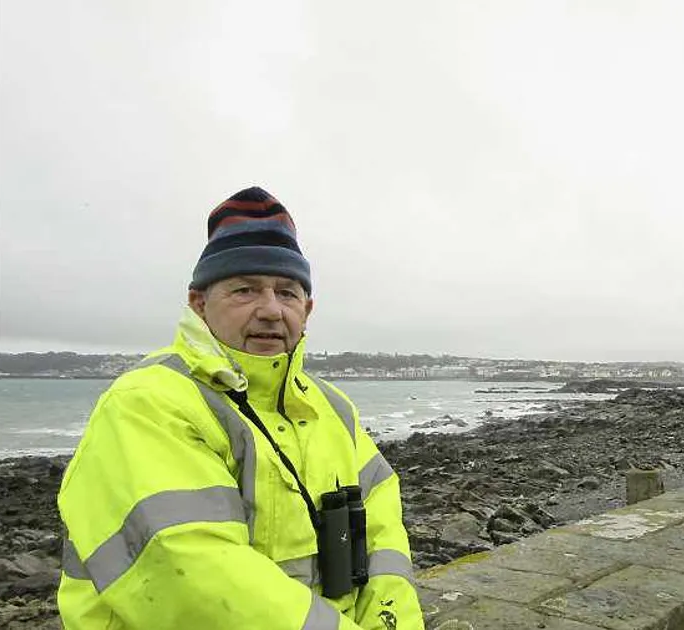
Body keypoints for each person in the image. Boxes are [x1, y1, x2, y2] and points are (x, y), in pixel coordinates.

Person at [56, 187, 423, 629]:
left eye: (287, 293)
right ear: (199, 303)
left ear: (307, 310)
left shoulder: (332, 408)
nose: (271, 310)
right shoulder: (148, 402)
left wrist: (391, 621)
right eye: (245, 289)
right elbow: (197, 578)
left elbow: (383, 534)